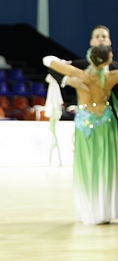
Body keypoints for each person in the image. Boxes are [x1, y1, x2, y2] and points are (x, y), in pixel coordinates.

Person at [43, 45, 118, 225]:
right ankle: (105, 210)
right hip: (105, 122)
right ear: (108, 60)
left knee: (87, 166)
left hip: (84, 125)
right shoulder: (111, 77)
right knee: (106, 166)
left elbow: (48, 60)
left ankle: (90, 212)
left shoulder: (80, 74)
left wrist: (68, 79)